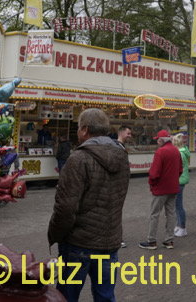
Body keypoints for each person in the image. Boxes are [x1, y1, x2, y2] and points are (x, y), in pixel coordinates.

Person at [48, 108, 130, 302]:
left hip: (79, 243)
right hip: (110, 241)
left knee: (67, 296)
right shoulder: (122, 157)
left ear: (84, 130)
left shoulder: (78, 158)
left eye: (78, 127)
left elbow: (65, 208)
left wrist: (55, 235)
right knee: (105, 296)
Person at [139, 129, 182, 250]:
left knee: (154, 215)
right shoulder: (176, 151)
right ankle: (169, 240)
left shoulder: (160, 152)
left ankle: (152, 241)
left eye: (157, 139)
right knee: (171, 214)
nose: (157, 142)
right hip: (173, 188)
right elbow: (180, 170)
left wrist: (152, 183)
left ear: (161, 140)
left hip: (160, 189)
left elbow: (154, 173)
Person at [173, 134, 191, 237]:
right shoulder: (184, 152)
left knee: (178, 205)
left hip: (179, 180)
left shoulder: (179, 153)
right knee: (177, 205)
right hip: (181, 179)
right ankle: (179, 225)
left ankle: (183, 227)